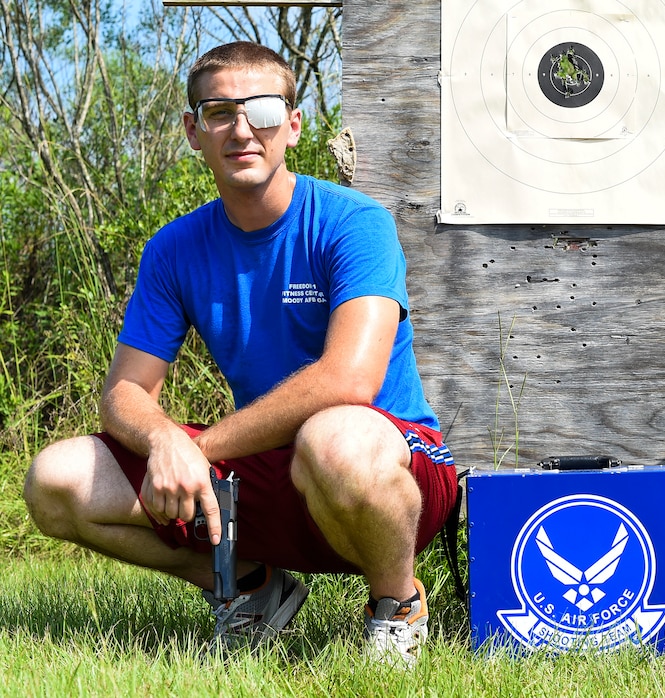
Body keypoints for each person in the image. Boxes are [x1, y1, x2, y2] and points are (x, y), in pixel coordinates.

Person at [22, 41, 457, 666]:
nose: (242, 128)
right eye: (219, 111)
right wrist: (163, 441)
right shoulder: (174, 249)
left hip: (390, 467)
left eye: (263, 110)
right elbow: (123, 393)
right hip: (269, 470)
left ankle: (397, 606)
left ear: (294, 124)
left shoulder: (352, 222)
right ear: (193, 131)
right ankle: (254, 589)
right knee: (57, 479)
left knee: (334, 436)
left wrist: (195, 448)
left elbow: (349, 380)